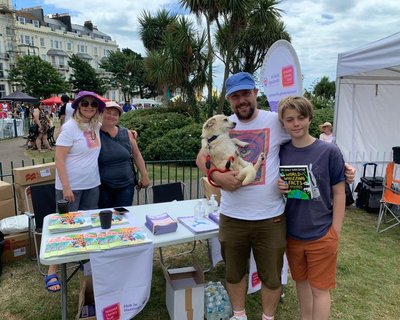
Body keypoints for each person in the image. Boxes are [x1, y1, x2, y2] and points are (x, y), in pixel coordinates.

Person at [197, 72, 288, 320]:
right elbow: (200, 158)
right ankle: (239, 315)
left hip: (271, 217)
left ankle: (268, 317)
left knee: (271, 274)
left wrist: (336, 166)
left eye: (246, 94)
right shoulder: (220, 124)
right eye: (236, 96)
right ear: (229, 99)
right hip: (232, 215)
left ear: (255, 94)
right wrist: (216, 176)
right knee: (234, 273)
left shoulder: (275, 121)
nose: (242, 100)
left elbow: (303, 144)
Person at [277, 96, 345, 320]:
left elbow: (339, 191)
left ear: (310, 118)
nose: (296, 123)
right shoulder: (281, 151)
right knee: (302, 286)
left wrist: (335, 230)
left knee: (319, 290)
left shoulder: (329, 151)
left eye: (301, 117)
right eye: (290, 119)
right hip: (293, 234)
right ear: (283, 123)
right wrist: (280, 186)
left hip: (321, 233)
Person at [45, 91, 105, 292]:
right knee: (64, 227)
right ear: (78, 106)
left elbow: (114, 124)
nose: (89, 107)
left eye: (93, 104)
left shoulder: (95, 125)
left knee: (88, 227)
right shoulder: (69, 128)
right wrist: (67, 187)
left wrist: (131, 133)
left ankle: (83, 261)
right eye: (85, 103)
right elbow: (59, 160)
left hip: (91, 186)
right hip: (70, 187)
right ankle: (52, 270)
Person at [98, 101, 150, 208]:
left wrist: (144, 175)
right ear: (101, 113)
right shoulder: (94, 133)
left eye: (115, 114)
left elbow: (137, 155)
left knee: (123, 217)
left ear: (119, 118)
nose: (111, 116)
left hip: (126, 185)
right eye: (108, 112)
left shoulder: (126, 133)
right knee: (106, 217)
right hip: (103, 186)